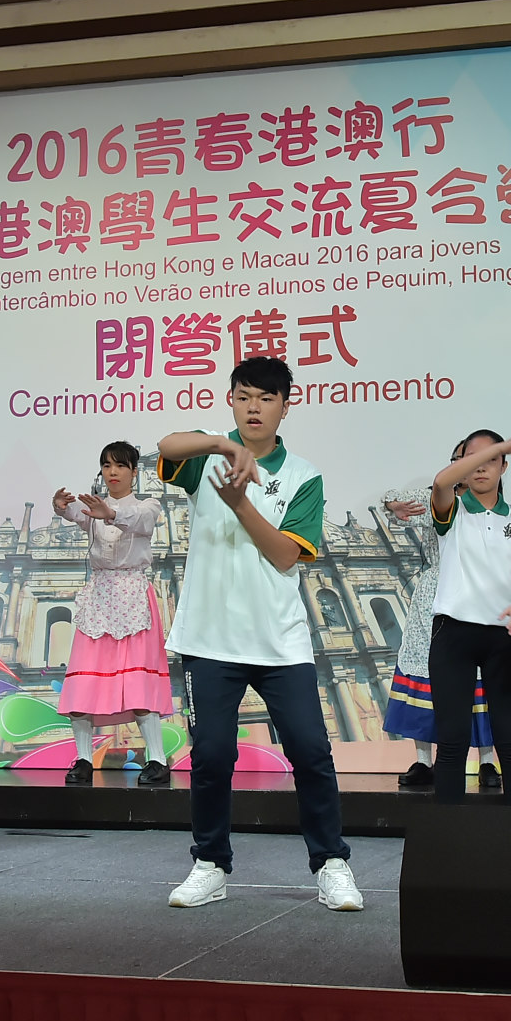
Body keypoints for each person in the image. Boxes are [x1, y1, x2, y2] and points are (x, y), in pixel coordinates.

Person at [156, 355, 363, 912]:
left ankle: (331, 862)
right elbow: (167, 445)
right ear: (230, 400)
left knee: (311, 751)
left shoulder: (303, 476)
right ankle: (210, 863)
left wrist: (241, 504)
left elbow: (285, 556)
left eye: (266, 398)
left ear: (284, 407)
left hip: (279, 641)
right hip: (208, 639)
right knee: (211, 755)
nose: (254, 408)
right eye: (244, 396)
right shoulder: (206, 459)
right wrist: (220, 447)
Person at [426, 430, 511, 805]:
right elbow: (441, 482)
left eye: (492, 459)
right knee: (452, 741)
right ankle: (448, 832)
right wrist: (497, 448)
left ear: (504, 467)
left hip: (504, 636)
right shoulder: (452, 510)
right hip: (453, 634)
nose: (481, 467)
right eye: (473, 459)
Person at [380, 441, 501, 791]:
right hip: (434, 597)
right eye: (458, 460)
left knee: (479, 676)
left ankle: (487, 761)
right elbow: (390, 500)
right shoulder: (436, 495)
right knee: (424, 669)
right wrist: (393, 505)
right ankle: (423, 760)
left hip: (479, 595)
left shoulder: (493, 504)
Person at [51, 441, 172, 787]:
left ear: (134, 471)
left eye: (120, 466)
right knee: (83, 679)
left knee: (138, 682)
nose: (113, 472)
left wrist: (111, 513)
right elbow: (73, 513)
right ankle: (83, 759)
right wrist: (59, 507)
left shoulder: (147, 505)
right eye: (107, 465)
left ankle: (157, 760)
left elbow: (141, 521)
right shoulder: (92, 507)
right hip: (99, 597)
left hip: (133, 595)